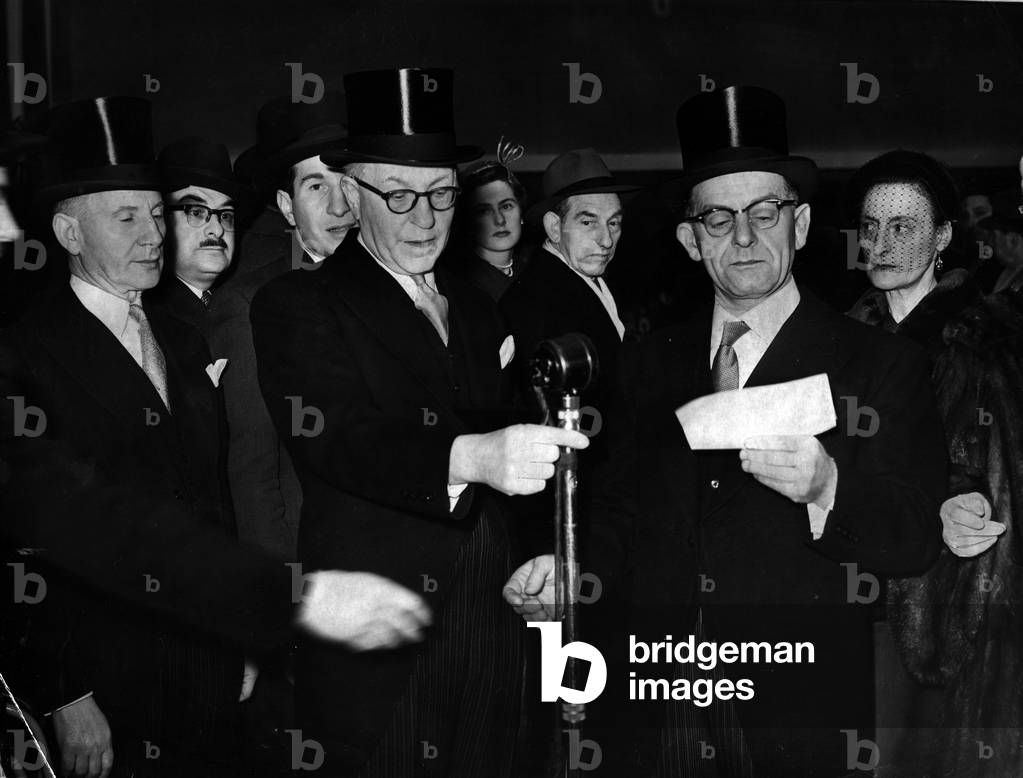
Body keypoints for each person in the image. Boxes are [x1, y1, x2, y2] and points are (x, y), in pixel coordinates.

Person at [505, 85, 948, 777]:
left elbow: (915, 534)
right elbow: (621, 509)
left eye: (763, 212)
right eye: (717, 218)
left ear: (799, 226)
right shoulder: (647, 363)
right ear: (689, 239)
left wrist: (829, 487)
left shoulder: (881, 363)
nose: (742, 237)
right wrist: (570, 568)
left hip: (795, 702)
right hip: (656, 691)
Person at [0, 96, 430, 778]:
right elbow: (35, 545)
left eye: (155, 212)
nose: (153, 234)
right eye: (126, 217)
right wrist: (67, 696)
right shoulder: (26, 355)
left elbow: (216, 500)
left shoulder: (183, 338)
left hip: (206, 662)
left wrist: (244, 641)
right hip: (107, 683)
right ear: (69, 233)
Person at [251, 67, 587, 777]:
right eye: (398, 196)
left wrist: (536, 556)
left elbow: (511, 456)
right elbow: (335, 438)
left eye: (440, 195)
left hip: (495, 618)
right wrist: (467, 457)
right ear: (348, 191)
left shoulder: (473, 306)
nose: (425, 220)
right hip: (384, 636)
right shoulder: (297, 304)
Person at [846, 149, 1023, 777]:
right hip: (856, 597)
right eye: (871, 227)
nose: (882, 243)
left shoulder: (988, 339)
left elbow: (998, 467)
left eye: (904, 226)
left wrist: (966, 495)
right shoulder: (839, 340)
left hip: (958, 601)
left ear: (943, 235)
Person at [208, 94, 353, 560]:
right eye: (315, 187)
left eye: (347, 183)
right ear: (287, 208)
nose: (339, 208)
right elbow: (253, 473)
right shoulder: (250, 305)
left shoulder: (408, 291)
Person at [145, 138, 249, 338]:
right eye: (196, 212)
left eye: (226, 215)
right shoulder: (147, 317)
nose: (217, 229)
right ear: (160, 219)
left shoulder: (244, 300)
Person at [449, 138, 528, 301]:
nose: (499, 220)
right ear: (468, 221)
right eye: (484, 211)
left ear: (521, 212)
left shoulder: (535, 270)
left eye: (506, 206)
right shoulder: (460, 283)